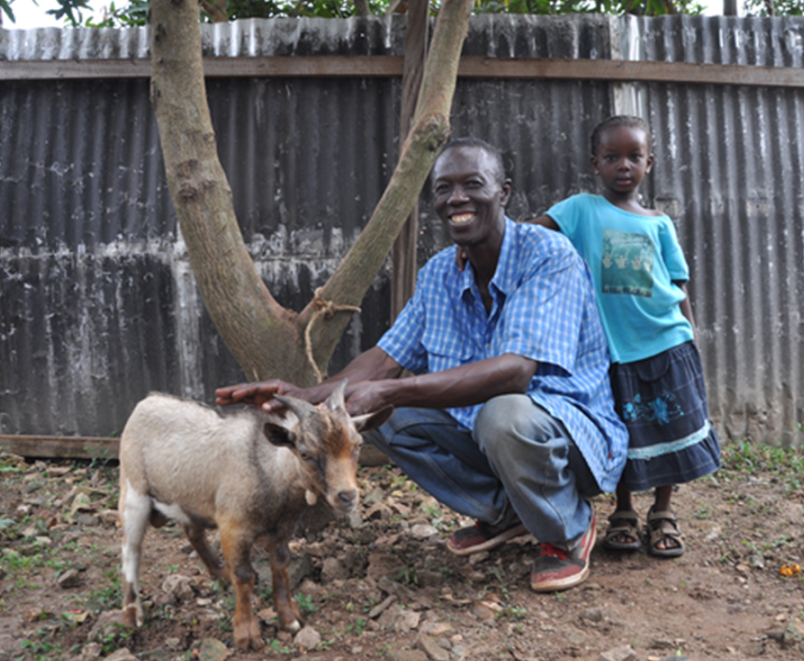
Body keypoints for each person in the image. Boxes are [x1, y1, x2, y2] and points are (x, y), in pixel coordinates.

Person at [215, 138, 629, 592]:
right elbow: (384, 361)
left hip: (568, 438)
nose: (456, 199)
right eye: (444, 189)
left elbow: (514, 373)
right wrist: (302, 396)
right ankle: (510, 511)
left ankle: (567, 528)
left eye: (473, 185)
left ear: (504, 192)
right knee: (376, 417)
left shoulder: (548, 255)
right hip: (491, 436)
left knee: (502, 413)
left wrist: (389, 391)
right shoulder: (439, 273)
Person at [526, 116, 721, 557]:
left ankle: (664, 511)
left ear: (649, 163)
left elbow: (677, 285)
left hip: (667, 342)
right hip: (611, 352)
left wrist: (690, 338)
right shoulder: (580, 210)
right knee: (623, 433)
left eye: (634, 157)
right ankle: (625, 510)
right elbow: (526, 234)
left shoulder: (660, 223)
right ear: (594, 163)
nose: (623, 166)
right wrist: (478, 241)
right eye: (612, 157)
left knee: (671, 427)